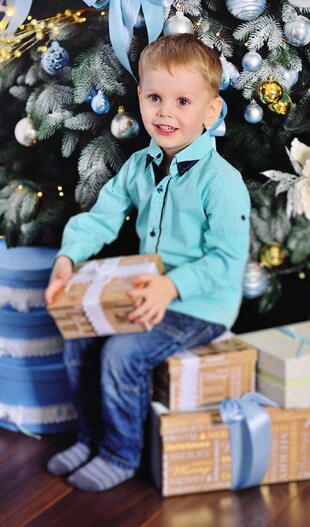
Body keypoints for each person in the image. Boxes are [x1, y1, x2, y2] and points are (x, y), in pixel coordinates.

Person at [44, 34, 251, 492]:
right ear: (139, 97)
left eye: (182, 101)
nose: (166, 113)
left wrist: (171, 288)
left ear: (210, 112)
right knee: (81, 337)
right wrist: (67, 258)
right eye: (155, 98)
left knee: (123, 353)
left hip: (199, 303)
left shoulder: (222, 183)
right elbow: (102, 217)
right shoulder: (139, 165)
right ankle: (89, 437)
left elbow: (227, 260)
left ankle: (120, 452)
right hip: (146, 288)